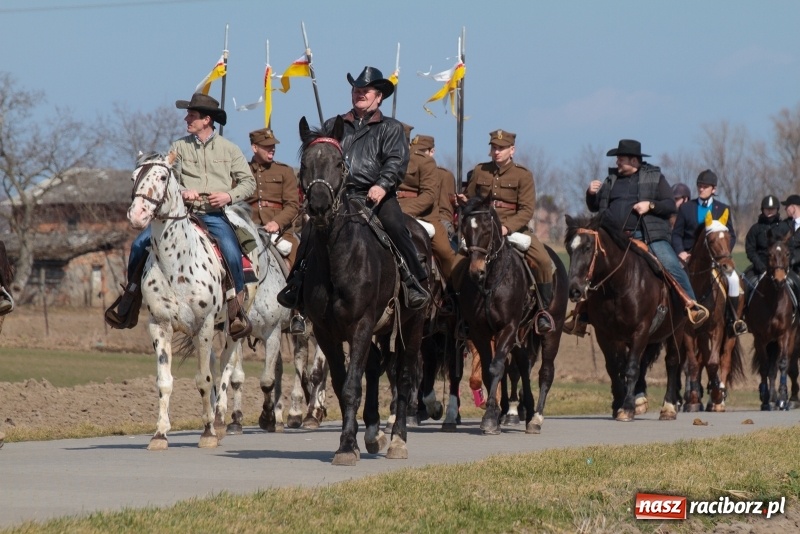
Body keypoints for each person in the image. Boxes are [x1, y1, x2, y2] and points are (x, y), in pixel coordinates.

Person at [277, 66, 431, 313]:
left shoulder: (391, 128)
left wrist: (382, 185)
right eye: (356, 90)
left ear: (378, 97)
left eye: (366, 90)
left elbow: (396, 161)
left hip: (376, 196)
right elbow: (321, 158)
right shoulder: (333, 124)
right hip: (340, 196)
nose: (360, 93)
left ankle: (414, 281)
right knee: (309, 232)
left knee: (395, 225)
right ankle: (296, 284)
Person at [105, 93, 256, 340]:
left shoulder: (230, 149)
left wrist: (228, 196)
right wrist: (183, 191)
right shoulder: (177, 148)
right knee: (138, 244)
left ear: (207, 120)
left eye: (192, 116)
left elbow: (248, 183)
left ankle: (235, 310)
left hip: (214, 215)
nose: (187, 119)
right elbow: (167, 180)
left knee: (231, 250)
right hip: (182, 215)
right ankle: (129, 300)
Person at [563, 139, 709, 336]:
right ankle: (581, 315)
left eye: (620, 158)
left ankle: (691, 305)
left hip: (648, 236)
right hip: (613, 237)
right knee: (592, 265)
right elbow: (594, 206)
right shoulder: (610, 180)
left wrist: (650, 205)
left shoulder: (655, 177)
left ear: (633, 160)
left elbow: (670, 205)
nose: (617, 162)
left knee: (671, 264)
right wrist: (590, 193)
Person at [456, 129, 555, 333]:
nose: (497, 151)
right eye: (494, 147)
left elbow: (526, 210)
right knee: (456, 263)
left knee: (544, 261)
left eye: (501, 148)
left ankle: (543, 311)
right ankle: (459, 311)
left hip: (513, 228)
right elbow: (471, 198)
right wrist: (464, 200)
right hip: (483, 228)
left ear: (512, 150)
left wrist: (506, 227)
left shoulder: (523, 175)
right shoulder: (480, 170)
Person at [671, 170, 745, 335]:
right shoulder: (686, 208)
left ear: (714, 189)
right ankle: (672, 318)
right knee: (671, 280)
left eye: (705, 186)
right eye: (700, 186)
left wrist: (723, 253)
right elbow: (676, 234)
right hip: (689, 258)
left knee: (734, 280)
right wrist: (681, 252)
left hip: (717, 257)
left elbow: (731, 235)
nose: (701, 189)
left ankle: (733, 320)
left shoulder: (723, 208)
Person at [398, 134, 457, 278]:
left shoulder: (434, 168)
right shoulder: (390, 160)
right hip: (393, 208)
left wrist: (405, 211)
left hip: (426, 215)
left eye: (422, 150)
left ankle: (454, 285)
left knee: (445, 252)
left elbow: (430, 197)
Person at [245, 128, 300, 267]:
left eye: (273, 145)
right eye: (267, 146)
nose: (272, 149)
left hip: (280, 232)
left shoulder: (285, 171)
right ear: (254, 148)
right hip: (249, 228)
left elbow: (292, 205)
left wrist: (277, 223)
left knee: (293, 265)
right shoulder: (242, 171)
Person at [743, 194, 781, 290]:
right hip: (759, 267)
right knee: (744, 285)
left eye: (772, 209)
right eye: (767, 209)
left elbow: (790, 247)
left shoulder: (784, 227)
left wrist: (783, 266)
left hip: (781, 267)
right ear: (762, 210)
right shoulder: (755, 229)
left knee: (796, 282)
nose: (769, 211)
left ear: (777, 210)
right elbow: (750, 250)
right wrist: (761, 267)